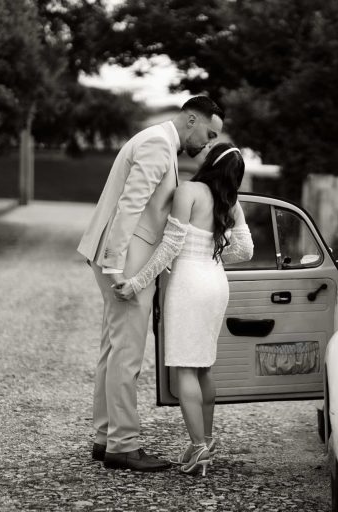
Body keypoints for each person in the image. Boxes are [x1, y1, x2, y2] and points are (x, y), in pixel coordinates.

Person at [76, 96, 224, 472]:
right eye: (208, 134)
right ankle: (123, 444)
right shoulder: (159, 144)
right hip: (126, 260)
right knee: (126, 354)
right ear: (191, 118)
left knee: (112, 349)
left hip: (122, 254)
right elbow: (130, 204)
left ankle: (105, 436)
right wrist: (115, 267)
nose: (206, 144)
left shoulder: (158, 142)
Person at [113, 142, 254, 476]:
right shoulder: (231, 203)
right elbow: (246, 251)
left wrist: (136, 282)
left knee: (185, 369)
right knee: (203, 366)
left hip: (189, 284)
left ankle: (200, 448)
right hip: (216, 282)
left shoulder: (188, 191)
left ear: (210, 162)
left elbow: (170, 247)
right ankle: (202, 441)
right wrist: (213, 256)